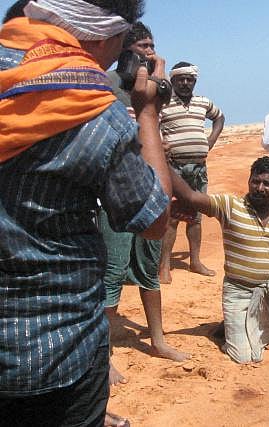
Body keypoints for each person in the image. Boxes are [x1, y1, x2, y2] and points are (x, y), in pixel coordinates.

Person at [0, 1, 172, 426]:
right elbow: (153, 220)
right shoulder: (91, 110)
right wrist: (147, 111)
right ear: (100, 35)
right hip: (58, 350)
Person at [101, 21, 189, 387]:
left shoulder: (154, 85)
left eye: (153, 45)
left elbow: (154, 117)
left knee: (149, 270)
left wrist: (158, 72)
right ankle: (103, 357)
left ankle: (158, 340)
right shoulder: (107, 84)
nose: (151, 53)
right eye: (143, 47)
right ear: (125, 48)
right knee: (112, 272)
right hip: (114, 193)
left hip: (149, 186)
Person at [172, 157, 269, 363]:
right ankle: (234, 325)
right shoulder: (230, 206)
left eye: (267, 183)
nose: (259, 188)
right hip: (238, 290)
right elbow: (190, 196)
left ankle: (239, 323)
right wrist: (162, 160)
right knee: (242, 357)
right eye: (255, 181)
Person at [158, 61, 225, 283]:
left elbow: (219, 117)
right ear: (173, 80)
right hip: (174, 168)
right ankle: (164, 266)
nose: (186, 83)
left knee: (196, 218)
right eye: (181, 79)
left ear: (195, 81)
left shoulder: (203, 102)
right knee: (172, 218)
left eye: (190, 79)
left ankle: (195, 261)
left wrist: (210, 140)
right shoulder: (164, 103)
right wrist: (160, 146)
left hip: (198, 169)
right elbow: (152, 124)